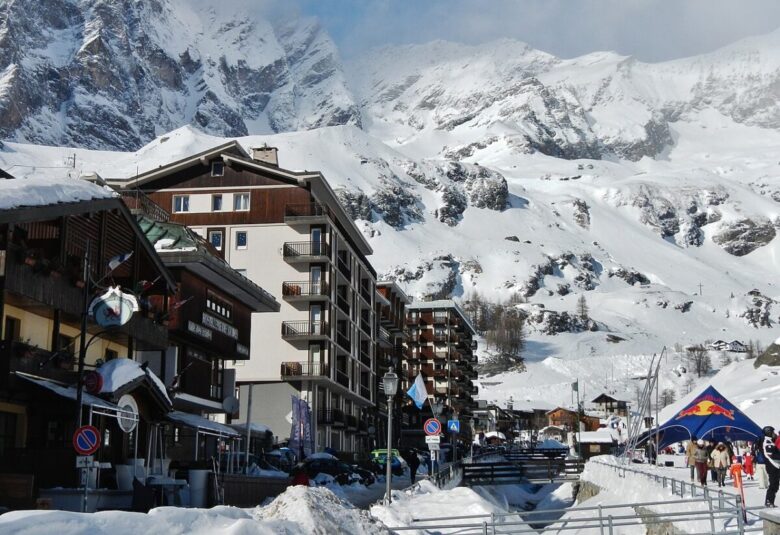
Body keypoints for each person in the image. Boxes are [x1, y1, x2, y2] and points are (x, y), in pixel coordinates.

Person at [762, 426, 780, 507]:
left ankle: (770, 501)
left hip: (775, 465)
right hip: (772, 466)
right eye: (772, 432)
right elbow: (772, 454)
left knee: (775, 485)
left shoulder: (771, 441)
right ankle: (769, 501)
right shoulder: (767, 442)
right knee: (773, 484)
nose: (774, 434)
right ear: (768, 433)